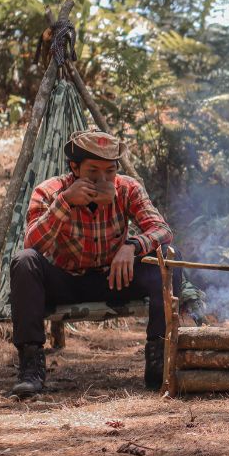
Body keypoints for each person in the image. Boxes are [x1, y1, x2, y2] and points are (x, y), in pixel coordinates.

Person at [9, 129, 176, 397]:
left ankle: (159, 361)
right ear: (74, 168)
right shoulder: (50, 191)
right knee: (24, 262)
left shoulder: (127, 188)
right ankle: (31, 369)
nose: (103, 180)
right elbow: (33, 243)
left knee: (167, 259)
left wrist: (132, 246)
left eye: (110, 171)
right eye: (93, 172)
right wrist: (65, 203)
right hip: (66, 280)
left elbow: (161, 230)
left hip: (114, 278)